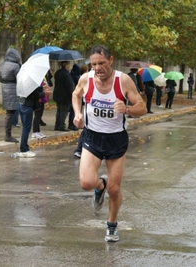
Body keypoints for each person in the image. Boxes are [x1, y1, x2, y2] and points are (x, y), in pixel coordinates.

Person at [72, 45, 146, 242]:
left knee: (115, 189)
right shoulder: (86, 79)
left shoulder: (123, 81)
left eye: (101, 63)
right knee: (86, 183)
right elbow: (76, 94)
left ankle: (112, 224)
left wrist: (128, 109)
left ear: (111, 60)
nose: (97, 68)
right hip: (92, 136)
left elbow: (142, 107)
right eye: (93, 64)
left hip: (115, 138)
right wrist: (78, 114)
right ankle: (99, 185)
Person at [18, 83, 52, 157]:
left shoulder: (22, 80)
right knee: (26, 129)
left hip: (21, 103)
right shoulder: (30, 82)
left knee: (25, 128)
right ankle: (23, 149)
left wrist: (41, 88)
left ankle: (24, 147)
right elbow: (35, 95)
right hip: (27, 105)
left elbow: (33, 92)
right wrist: (44, 93)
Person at [0, 47, 21, 142]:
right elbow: (19, 79)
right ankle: (8, 135)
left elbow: (0, 79)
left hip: (5, 89)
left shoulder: (1, 65)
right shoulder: (16, 66)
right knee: (11, 113)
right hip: (14, 89)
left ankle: (8, 134)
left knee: (9, 112)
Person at [73, 64, 89, 158]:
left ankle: (79, 150)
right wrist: (77, 113)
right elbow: (76, 94)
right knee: (86, 131)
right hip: (88, 115)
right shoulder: (84, 79)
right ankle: (79, 149)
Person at [53, 61, 75, 131]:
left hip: (57, 94)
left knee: (59, 110)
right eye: (68, 64)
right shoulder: (66, 74)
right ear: (66, 65)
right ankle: (62, 125)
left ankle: (57, 124)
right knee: (64, 111)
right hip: (65, 96)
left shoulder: (57, 72)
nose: (69, 66)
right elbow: (69, 86)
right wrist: (73, 93)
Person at [68, 64, 81, 131]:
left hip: (71, 94)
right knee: (74, 110)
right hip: (75, 94)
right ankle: (72, 124)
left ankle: (72, 123)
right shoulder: (76, 77)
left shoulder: (70, 75)